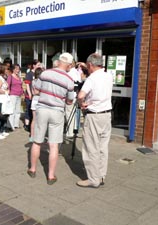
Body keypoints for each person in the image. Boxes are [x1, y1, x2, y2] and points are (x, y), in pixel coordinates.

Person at [27, 53, 75, 185]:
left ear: (58, 61)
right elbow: (70, 101)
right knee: (54, 145)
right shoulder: (69, 80)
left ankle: (32, 168)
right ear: (69, 65)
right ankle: (51, 176)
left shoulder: (45, 73)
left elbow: (36, 90)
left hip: (42, 109)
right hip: (57, 112)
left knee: (37, 141)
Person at [76, 53, 113, 188]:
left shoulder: (91, 79)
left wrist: (82, 103)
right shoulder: (108, 76)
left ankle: (93, 179)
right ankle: (101, 175)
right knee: (103, 147)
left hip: (94, 115)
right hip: (107, 115)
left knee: (91, 148)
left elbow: (81, 95)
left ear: (91, 65)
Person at [65, 60, 82, 138]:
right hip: (76, 95)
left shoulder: (69, 73)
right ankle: (75, 130)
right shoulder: (77, 72)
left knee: (69, 114)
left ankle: (69, 132)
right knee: (74, 114)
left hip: (70, 96)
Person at [24, 59, 41, 132]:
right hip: (30, 95)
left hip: (36, 96)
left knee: (33, 112)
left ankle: (32, 125)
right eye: (38, 65)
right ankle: (27, 125)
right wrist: (30, 94)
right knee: (28, 110)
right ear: (34, 65)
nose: (39, 66)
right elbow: (27, 85)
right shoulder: (29, 74)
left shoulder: (38, 73)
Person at [7, 64, 23, 130]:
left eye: (18, 69)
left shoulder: (19, 77)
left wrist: (22, 92)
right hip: (12, 95)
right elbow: (7, 85)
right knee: (12, 110)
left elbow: (20, 86)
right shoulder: (10, 77)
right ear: (13, 69)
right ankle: (10, 125)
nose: (18, 70)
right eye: (16, 69)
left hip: (19, 95)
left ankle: (16, 124)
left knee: (18, 110)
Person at [29, 67, 43, 142]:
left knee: (34, 119)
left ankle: (32, 136)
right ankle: (39, 136)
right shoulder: (41, 82)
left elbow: (33, 92)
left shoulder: (33, 81)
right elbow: (36, 92)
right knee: (40, 120)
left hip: (34, 100)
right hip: (39, 100)